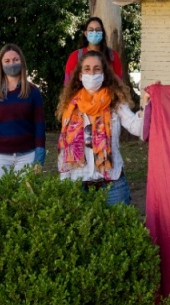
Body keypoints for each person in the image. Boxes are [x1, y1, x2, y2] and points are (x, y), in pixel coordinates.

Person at [57, 49, 148, 206]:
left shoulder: (115, 103)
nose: (92, 74)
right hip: (78, 184)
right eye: (87, 69)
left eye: (97, 69)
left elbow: (137, 128)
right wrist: (64, 184)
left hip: (112, 186)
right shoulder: (71, 108)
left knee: (118, 229)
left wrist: (146, 106)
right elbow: (64, 149)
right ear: (80, 75)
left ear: (104, 74)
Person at [0, 44, 46, 177]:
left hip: (27, 156)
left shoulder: (33, 92)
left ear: (22, 62)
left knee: (25, 197)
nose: (11, 64)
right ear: (1, 64)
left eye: (15, 60)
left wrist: (39, 159)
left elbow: (39, 127)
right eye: (7, 61)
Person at [64, 16, 124, 84]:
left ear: (102, 33)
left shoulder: (112, 56)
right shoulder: (75, 56)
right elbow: (68, 84)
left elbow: (119, 83)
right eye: (91, 30)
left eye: (98, 30)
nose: (94, 32)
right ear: (85, 33)